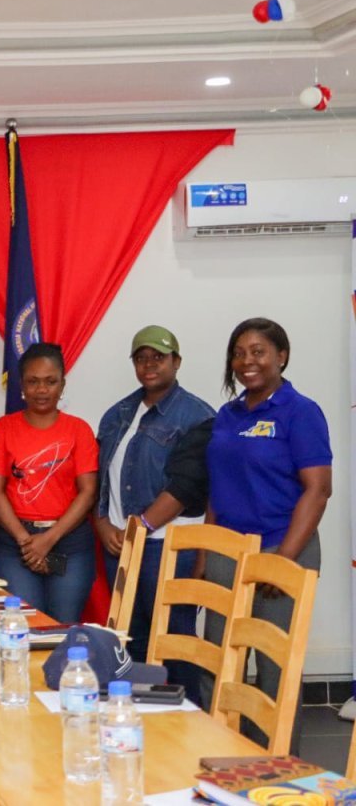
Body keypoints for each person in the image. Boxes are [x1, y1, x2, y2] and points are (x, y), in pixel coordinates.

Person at [202, 318, 330, 748]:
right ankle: (224, 761)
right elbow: (218, 489)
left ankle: (279, 774)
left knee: (275, 674)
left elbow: (318, 489)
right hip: (227, 553)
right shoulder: (228, 414)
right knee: (221, 665)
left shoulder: (300, 411)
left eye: (258, 351)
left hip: (281, 549)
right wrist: (206, 553)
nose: (246, 361)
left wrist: (282, 561)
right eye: (238, 353)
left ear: (282, 356)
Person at [93, 325, 214, 700]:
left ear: (176, 362)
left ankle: (189, 724)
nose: (149, 365)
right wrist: (102, 523)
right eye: (141, 358)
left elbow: (186, 486)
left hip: (167, 546)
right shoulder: (118, 413)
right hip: (122, 544)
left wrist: (141, 527)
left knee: (174, 639)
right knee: (134, 638)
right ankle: (146, 719)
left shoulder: (196, 415)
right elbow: (103, 477)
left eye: (158, 357)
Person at [0, 342, 98, 624]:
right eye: (33, 382)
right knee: (22, 624)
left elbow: (88, 492)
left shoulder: (79, 429)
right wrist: (27, 541)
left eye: (50, 381)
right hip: (15, 544)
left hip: (69, 542)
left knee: (63, 625)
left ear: (62, 384)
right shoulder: (3, 428)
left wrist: (48, 539)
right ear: (21, 384)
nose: (42, 389)